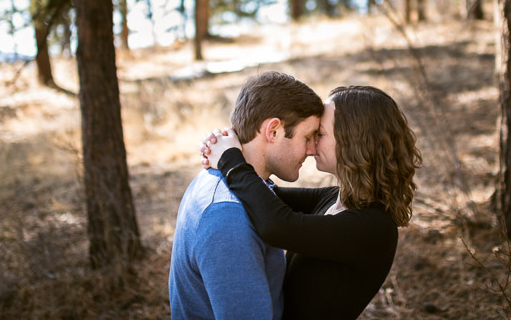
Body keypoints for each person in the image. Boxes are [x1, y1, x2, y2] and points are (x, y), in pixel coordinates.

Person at [202, 85, 422, 320]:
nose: (312, 144)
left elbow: (277, 225)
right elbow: (267, 196)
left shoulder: (373, 228)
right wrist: (238, 146)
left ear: (353, 142)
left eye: (321, 134)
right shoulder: (337, 198)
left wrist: (231, 161)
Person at [169, 71, 324, 320]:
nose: (312, 150)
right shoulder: (226, 215)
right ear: (273, 131)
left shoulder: (231, 185)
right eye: (307, 137)